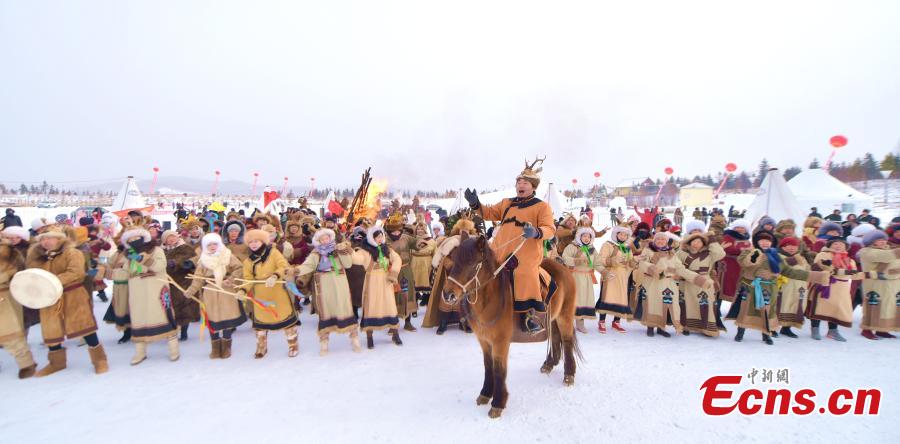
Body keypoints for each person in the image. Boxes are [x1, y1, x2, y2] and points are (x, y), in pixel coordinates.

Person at [465, 158, 556, 334]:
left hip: (525, 255)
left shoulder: (541, 206)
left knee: (524, 273)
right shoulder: (507, 203)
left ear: (533, 187)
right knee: (481, 272)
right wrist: (475, 203)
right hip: (499, 250)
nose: (520, 185)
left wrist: (536, 232)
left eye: (525, 183)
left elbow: (550, 229)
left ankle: (528, 317)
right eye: (519, 182)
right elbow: (489, 213)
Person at [26, 226, 109, 376]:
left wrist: (51, 281)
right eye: (42, 239)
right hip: (49, 298)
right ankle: (56, 363)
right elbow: (33, 276)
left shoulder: (73, 252)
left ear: (59, 238)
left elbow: (76, 273)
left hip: (73, 295)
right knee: (51, 329)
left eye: (49, 238)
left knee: (84, 326)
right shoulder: (37, 257)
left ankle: (100, 360)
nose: (45, 241)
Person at [727, 230, 825, 345]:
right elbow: (744, 263)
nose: (765, 243)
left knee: (767, 312)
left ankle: (766, 334)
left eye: (767, 241)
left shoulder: (776, 256)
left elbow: (789, 271)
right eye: (762, 240)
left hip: (769, 289)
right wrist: (756, 260)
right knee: (746, 310)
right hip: (751, 287)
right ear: (756, 241)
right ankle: (740, 333)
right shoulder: (749, 252)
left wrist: (817, 276)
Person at [295, 228, 361, 355]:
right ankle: (324, 343)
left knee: (345, 308)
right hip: (324, 283)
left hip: (339, 281)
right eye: (322, 239)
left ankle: (354, 339)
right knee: (326, 310)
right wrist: (296, 271)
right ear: (318, 240)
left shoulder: (338, 249)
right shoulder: (316, 253)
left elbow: (347, 265)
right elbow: (308, 266)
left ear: (331, 238)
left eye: (327, 238)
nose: (325, 240)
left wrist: (343, 252)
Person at [119, 227, 180, 364]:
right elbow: (125, 271)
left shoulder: (156, 250)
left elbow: (160, 266)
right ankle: (140, 352)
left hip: (156, 288)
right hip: (137, 291)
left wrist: (143, 259)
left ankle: (174, 348)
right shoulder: (128, 256)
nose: (134, 241)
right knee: (139, 317)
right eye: (130, 240)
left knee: (163, 315)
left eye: (137, 238)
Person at [634, 232, 712, 337]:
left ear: (666, 241)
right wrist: (658, 272)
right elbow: (642, 263)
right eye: (658, 239)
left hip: (668, 284)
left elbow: (681, 269)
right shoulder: (648, 250)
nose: (660, 241)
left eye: (663, 239)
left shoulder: (671, 253)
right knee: (653, 304)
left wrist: (700, 280)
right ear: (654, 240)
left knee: (666, 305)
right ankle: (650, 326)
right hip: (652, 282)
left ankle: (661, 327)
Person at [183, 233, 247, 359]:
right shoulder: (203, 259)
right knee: (213, 318)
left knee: (227, 317)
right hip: (210, 291)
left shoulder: (227, 255)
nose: (212, 246)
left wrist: (231, 278)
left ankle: (227, 345)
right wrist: (191, 290)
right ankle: (215, 347)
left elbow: (239, 268)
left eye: (215, 244)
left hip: (226, 289)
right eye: (209, 244)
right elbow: (198, 278)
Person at [242, 229, 300, 358]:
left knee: (286, 321)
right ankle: (261, 347)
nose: (253, 244)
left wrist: (275, 275)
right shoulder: (248, 261)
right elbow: (247, 279)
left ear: (262, 241)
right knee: (260, 325)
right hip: (261, 296)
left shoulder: (273, 253)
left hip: (278, 293)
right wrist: (242, 290)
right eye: (250, 242)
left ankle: (293, 344)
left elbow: (283, 265)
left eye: (256, 241)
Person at [351, 226, 404, 348]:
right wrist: (349, 251)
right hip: (372, 281)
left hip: (386, 281)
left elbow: (397, 259)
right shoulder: (365, 250)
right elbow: (357, 259)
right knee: (372, 306)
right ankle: (370, 337)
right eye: (377, 237)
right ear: (372, 238)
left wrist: (394, 273)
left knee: (389, 305)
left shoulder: (387, 250)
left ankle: (395, 334)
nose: (380, 239)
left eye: (381, 237)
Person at [806, 236, 858, 342]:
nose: (838, 246)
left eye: (841, 244)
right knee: (820, 307)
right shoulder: (823, 254)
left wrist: (868, 274)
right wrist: (841, 272)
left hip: (842, 287)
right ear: (830, 245)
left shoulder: (849, 259)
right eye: (835, 244)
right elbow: (823, 268)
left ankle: (833, 331)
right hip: (826, 285)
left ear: (845, 246)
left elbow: (854, 273)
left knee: (836, 308)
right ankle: (815, 329)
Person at [677, 230, 726, 337]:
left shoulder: (709, 254)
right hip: (687, 282)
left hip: (704, 283)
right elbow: (676, 266)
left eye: (699, 242)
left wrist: (712, 240)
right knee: (686, 305)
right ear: (689, 242)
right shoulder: (681, 253)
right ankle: (685, 326)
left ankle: (706, 328)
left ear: (704, 244)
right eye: (694, 241)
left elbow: (721, 254)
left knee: (705, 304)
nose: (696, 244)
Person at [0, 244, 37, 379]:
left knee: (10, 334)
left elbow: (16, 273)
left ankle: (26, 364)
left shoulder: (7, 251)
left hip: (4, 298)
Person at [562, 227, 605, 333]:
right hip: (574, 277)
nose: (586, 238)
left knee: (583, 301)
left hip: (586, 279)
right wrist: (577, 261)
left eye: (588, 237)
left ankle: (580, 324)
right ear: (579, 236)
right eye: (584, 236)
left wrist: (605, 272)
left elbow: (597, 263)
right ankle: (568, 324)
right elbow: (565, 258)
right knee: (573, 300)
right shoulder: (572, 247)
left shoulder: (592, 249)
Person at [595, 225, 635, 333]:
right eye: (621, 234)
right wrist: (614, 261)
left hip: (622, 276)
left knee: (620, 299)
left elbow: (630, 262)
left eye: (625, 235)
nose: (623, 236)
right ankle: (602, 321)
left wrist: (635, 261)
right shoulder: (607, 245)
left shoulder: (627, 248)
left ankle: (616, 322)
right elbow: (601, 260)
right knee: (606, 297)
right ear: (616, 234)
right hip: (610, 274)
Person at [161, 230, 199, 342]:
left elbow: (190, 259)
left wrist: (177, 263)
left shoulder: (185, 248)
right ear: (165, 240)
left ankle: (184, 331)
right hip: (168, 282)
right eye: (168, 237)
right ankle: (172, 331)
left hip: (183, 281)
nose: (171, 239)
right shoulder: (161, 251)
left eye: (173, 236)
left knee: (184, 306)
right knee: (170, 307)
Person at [775, 237, 809, 338]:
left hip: (799, 287)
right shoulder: (778, 256)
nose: (791, 248)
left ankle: (786, 328)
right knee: (780, 306)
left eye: (794, 246)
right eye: (788, 246)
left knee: (794, 306)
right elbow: (781, 266)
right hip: (784, 286)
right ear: (783, 247)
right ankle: (772, 328)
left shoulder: (801, 257)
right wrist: (794, 259)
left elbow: (807, 269)